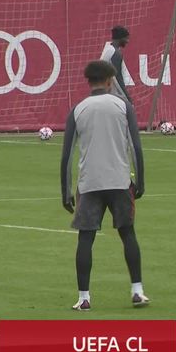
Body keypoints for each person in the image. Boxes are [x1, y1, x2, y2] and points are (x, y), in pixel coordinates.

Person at [60, 60, 147, 311]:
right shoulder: (123, 106)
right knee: (127, 234)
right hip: (119, 181)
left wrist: (65, 191)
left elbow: (67, 155)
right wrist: (141, 180)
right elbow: (135, 146)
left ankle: (84, 298)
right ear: (110, 81)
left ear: (89, 81)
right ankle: (137, 291)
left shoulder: (78, 109)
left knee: (85, 239)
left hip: (90, 184)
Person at [100, 25, 132, 103]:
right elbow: (117, 77)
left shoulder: (108, 50)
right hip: (110, 96)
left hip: (104, 93)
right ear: (120, 38)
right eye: (126, 38)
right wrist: (127, 98)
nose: (127, 41)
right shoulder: (115, 53)